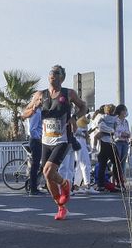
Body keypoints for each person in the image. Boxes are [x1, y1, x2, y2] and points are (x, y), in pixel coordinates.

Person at [20, 67, 87, 221]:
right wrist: (33, 108)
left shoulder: (68, 93)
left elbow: (83, 106)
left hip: (62, 139)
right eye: (50, 72)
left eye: (56, 72)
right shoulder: (40, 95)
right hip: (46, 140)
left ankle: (64, 185)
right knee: (47, 175)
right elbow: (25, 113)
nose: (52, 74)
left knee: (48, 170)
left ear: (62, 77)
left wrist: (74, 117)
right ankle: (61, 206)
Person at [24, 96, 45, 195]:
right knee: (35, 165)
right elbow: (32, 129)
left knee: (36, 164)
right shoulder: (36, 113)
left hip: (36, 140)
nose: (42, 101)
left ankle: (34, 186)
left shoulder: (38, 112)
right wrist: (39, 138)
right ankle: (33, 188)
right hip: (36, 140)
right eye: (40, 100)